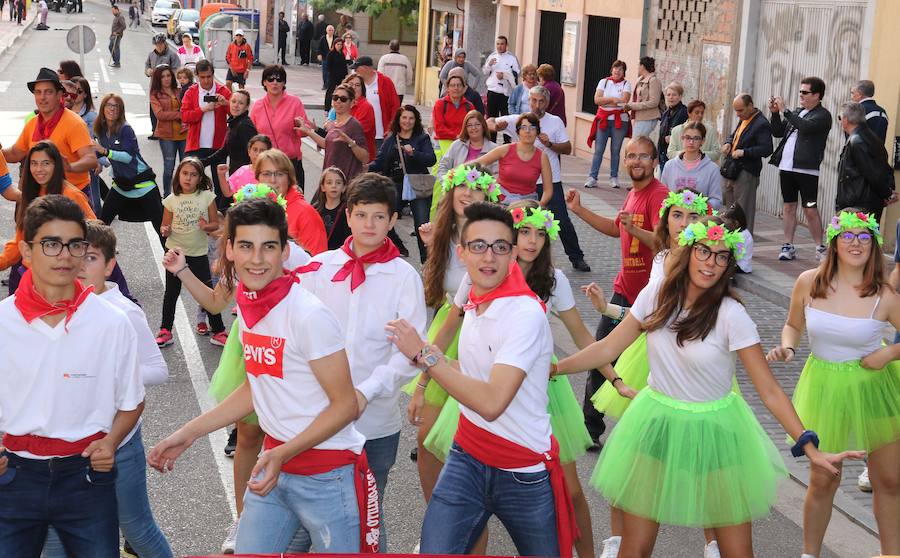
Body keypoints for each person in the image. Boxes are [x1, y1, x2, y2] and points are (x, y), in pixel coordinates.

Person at [556, 216, 858, 558]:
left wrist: (810, 448)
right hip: (656, 421)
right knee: (635, 548)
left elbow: (770, 390)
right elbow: (608, 348)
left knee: (737, 552)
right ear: (688, 251)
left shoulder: (731, 314)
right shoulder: (656, 295)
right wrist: (557, 367)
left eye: (721, 256)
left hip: (717, 429)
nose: (711, 263)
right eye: (704, 251)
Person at [148, 196, 378, 555]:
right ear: (229, 250)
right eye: (246, 246)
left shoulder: (307, 316)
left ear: (285, 252)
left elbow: (346, 406)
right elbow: (256, 387)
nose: (257, 259)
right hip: (277, 467)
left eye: (268, 247)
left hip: (328, 475)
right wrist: (187, 433)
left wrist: (283, 452)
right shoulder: (248, 299)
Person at [387, 202, 577, 558]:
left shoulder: (524, 312)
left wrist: (423, 356)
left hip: (522, 470)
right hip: (467, 457)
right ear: (462, 252)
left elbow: (492, 402)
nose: (489, 257)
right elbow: (472, 373)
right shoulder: (474, 297)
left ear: (512, 253)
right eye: (478, 246)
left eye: (500, 247)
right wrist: (434, 366)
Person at [158, 187, 312, 554]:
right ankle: (245, 520)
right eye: (244, 244)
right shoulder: (243, 267)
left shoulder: (299, 271)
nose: (256, 256)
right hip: (251, 351)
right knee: (248, 436)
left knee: (289, 438)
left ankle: (290, 520)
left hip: (291, 357)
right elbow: (215, 300)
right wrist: (180, 271)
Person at [0, 195, 144, 557]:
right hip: (12, 475)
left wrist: (111, 443)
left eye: (74, 245)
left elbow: (132, 400)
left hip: (86, 476)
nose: (65, 255)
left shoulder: (112, 323)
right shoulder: (3, 322)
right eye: (51, 244)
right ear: (26, 252)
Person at [584, 188, 720, 558]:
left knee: (706, 464)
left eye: (693, 217)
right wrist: (606, 308)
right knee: (626, 455)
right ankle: (617, 541)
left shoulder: (710, 265)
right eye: (677, 216)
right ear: (667, 220)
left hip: (695, 370)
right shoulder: (659, 258)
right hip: (648, 363)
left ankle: (714, 544)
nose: (684, 224)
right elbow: (643, 316)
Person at [298, 173, 427, 551]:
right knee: (306, 514)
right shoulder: (319, 268)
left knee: (368, 512)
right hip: (317, 416)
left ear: (391, 221)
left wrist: (365, 393)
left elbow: (409, 354)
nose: (369, 225)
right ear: (349, 216)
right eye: (361, 215)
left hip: (374, 421)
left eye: (379, 217)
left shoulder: (405, 277)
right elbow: (298, 336)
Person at [768, 209, 899, 558]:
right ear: (834, 242)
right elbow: (792, 324)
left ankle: (891, 554)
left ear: (873, 245)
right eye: (848, 236)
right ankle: (810, 554)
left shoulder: (884, 295)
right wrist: (788, 346)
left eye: (864, 237)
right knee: (824, 479)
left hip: (875, 389)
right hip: (824, 388)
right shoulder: (809, 282)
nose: (856, 244)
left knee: (888, 480)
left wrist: (888, 354)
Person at [42, 220, 172, 558]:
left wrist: (106, 375)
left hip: (118, 444)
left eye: (92, 258)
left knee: (137, 529)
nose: (81, 266)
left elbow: (158, 370)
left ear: (110, 266)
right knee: (55, 538)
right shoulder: (55, 308)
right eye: (76, 256)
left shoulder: (124, 312)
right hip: (64, 445)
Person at [405, 165, 500, 512]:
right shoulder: (441, 236)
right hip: (447, 330)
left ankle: (472, 515)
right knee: (428, 439)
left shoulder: (498, 242)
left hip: (483, 332)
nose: (468, 195)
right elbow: (437, 293)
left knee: (473, 440)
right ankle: (437, 518)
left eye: (477, 191)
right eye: (462, 187)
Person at [565, 136, 670, 446]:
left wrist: (636, 230)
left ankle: (649, 430)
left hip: (650, 298)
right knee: (602, 355)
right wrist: (579, 210)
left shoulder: (660, 196)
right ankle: (590, 428)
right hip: (624, 290)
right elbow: (616, 228)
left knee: (648, 366)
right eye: (631, 156)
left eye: (643, 157)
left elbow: (666, 244)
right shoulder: (634, 193)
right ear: (624, 162)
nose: (636, 161)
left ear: (654, 162)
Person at [491, 86, 591, 272]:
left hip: (549, 181)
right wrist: (495, 126)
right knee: (522, 223)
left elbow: (567, 148)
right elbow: (489, 121)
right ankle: (517, 261)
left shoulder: (555, 122)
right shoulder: (519, 120)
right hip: (524, 185)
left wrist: (550, 144)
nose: (537, 104)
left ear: (547, 102)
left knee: (560, 219)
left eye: (541, 101)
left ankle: (577, 257)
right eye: (533, 100)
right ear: (528, 101)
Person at [0, 141, 97, 285]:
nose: (39, 169)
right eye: (34, 163)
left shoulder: (72, 195)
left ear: (56, 166)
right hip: (33, 278)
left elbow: (96, 235)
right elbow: (20, 241)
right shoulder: (30, 195)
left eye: (46, 163)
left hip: (63, 278)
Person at [156, 157, 225, 347]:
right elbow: (164, 225)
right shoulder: (170, 200)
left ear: (200, 178)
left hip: (198, 253)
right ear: (178, 175)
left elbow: (214, 224)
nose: (188, 178)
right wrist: (165, 230)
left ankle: (218, 331)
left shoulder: (207, 197)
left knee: (208, 291)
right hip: (175, 251)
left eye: (193, 175)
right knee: (171, 293)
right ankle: (165, 330)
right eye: (185, 173)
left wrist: (206, 226)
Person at [3, 68, 97, 200]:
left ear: (60, 95)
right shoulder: (32, 124)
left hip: (73, 197)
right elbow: (15, 153)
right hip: (42, 197)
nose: (42, 97)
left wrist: (69, 167)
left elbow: (91, 160)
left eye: (48, 92)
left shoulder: (74, 123)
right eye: (38, 92)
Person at [769, 76, 832, 262]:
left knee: (810, 208)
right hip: (787, 168)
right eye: (800, 92)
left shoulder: (823, 115)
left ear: (817, 95)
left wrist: (785, 111)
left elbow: (805, 127)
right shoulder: (798, 112)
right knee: (789, 206)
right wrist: (774, 113)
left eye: (805, 92)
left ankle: (820, 247)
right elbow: (778, 131)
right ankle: (788, 245)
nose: (801, 96)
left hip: (807, 171)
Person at [94, 94, 165, 247]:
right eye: (109, 105)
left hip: (143, 184)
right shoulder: (101, 129)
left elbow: (128, 157)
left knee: (161, 229)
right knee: (102, 223)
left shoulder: (126, 129)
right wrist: (96, 160)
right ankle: (96, 256)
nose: (112, 109)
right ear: (103, 108)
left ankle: (173, 266)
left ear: (121, 110)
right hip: (121, 185)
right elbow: (98, 152)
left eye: (116, 106)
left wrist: (106, 152)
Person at [369, 105, 437, 262]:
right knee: (385, 220)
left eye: (411, 118)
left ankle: (426, 263)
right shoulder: (391, 139)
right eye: (404, 118)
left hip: (417, 184)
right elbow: (379, 162)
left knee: (421, 225)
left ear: (416, 120)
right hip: (395, 185)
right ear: (399, 119)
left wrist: (413, 153)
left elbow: (431, 159)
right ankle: (394, 250)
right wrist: (365, 167)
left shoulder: (422, 138)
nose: (407, 121)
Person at [255, 148, 328, 255]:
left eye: (279, 174)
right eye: (266, 174)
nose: (272, 180)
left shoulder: (305, 213)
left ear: (289, 178)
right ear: (258, 178)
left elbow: (317, 262)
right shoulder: (253, 209)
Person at [181, 59, 232, 210]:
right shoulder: (191, 92)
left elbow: (236, 112)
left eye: (209, 76)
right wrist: (203, 110)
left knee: (220, 182)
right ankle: (193, 211)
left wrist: (226, 104)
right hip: (196, 145)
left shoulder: (223, 91)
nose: (206, 80)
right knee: (193, 181)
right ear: (197, 76)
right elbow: (184, 116)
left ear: (213, 75)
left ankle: (221, 213)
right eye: (203, 77)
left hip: (218, 146)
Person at [249, 64, 310, 187]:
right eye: (270, 79)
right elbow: (252, 137)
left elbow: (303, 132)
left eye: (279, 79)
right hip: (266, 164)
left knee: (292, 203)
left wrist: (304, 128)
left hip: (290, 163)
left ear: (284, 83)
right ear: (264, 83)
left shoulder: (295, 103)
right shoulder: (257, 106)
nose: (274, 83)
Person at [721, 94, 773, 234]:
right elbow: (735, 135)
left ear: (750, 105)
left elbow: (767, 149)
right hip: (732, 169)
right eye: (736, 111)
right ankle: (729, 239)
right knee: (729, 210)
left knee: (743, 211)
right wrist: (728, 142)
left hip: (746, 171)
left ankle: (744, 243)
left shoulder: (761, 123)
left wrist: (744, 152)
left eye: (740, 110)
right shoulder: (744, 118)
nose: (738, 114)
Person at [475, 113, 552, 205]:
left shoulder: (542, 157)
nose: (528, 131)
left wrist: (540, 205)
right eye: (523, 127)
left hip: (527, 204)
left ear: (537, 132)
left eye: (532, 128)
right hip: (500, 201)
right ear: (518, 132)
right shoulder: (505, 149)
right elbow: (477, 164)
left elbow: (548, 190)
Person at [836, 102, 895, 217]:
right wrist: (888, 192)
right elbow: (884, 168)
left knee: (854, 235)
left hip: (858, 205)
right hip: (865, 202)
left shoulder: (857, 141)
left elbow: (872, 173)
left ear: (845, 120)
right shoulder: (870, 137)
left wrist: (887, 193)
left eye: (839, 118)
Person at [432, 110, 497, 215]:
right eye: (469, 125)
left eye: (477, 124)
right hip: (456, 197)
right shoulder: (456, 145)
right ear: (465, 128)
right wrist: (447, 183)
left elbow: (497, 174)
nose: (473, 128)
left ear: (483, 126)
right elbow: (443, 166)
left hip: (480, 201)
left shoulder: (494, 149)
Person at [301, 84, 369, 183]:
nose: (338, 101)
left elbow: (365, 157)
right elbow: (327, 144)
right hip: (329, 178)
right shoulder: (333, 124)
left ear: (352, 103)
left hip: (345, 182)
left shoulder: (354, 125)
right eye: (335, 98)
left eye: (343, 99)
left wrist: (351, 143)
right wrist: (308, 131)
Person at [586, 59, 631, 189]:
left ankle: (614, 177)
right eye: (615, 68)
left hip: (619, 120)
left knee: (615, 150)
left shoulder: (626, 84)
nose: (617, 71)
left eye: (621, 69)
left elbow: (623, 101)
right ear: (612, 69)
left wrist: (605, 102)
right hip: (603, 119)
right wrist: (612, 99)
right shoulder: (604, 82)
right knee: (599, 150)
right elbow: (596, 100)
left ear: (624, 72)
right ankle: (592, 177)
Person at [660, 122, 724, 209]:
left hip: (700, 220)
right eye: (687, 137)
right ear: (682, 138)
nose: (691, 142)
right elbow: (662, 196)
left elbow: (717, 201)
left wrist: (698, 205)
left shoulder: (712, 169)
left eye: (696, 138)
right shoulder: (669, 166)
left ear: (703, 141)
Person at [205, 89, 258, 192]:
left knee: (226, 205)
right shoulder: (235, 122)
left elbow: (254, 154)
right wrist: (202, 162)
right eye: (233, 101)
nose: (236, 105)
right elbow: (225, 150)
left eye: (241, 103)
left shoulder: (244, 125)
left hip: (245, 179)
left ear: (247, 107)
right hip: (236, 175)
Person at [150, 65, 188, 197]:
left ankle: (185, 194)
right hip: (167, 136)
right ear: (158, 79)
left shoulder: (180, 90)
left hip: (184, 134)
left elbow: (188, 107)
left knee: (186, 167)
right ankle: (167, 195)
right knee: (169, 168)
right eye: (162, 76)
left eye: (168, 75)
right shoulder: (155, 95)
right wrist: (179, 114)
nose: (166, 79)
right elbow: (160, 115)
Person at [432, 74, 476, 180]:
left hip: (463, 144)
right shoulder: (440, 104)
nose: (456, 88)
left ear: (464, 88)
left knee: (461, 176)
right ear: (447, 88)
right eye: (452, 85)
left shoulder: (469, 106)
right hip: (443, 144)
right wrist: (457, 136)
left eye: (459, 85)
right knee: (441, 178)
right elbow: (439, 129)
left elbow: (473, 126)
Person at [353, 56, 401, 151]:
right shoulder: (355, 84)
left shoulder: (385, 82)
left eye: (357, 68)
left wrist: (392, 128)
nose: (355, 71)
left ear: (366, 68)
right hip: (360, 134)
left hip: (381, 135)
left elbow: (395, 107)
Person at [70, 76, 103, 212]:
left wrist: (100, 161)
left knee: (94, 203)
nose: (75, 95)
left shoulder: (92, 116)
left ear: (85, 94)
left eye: (79, 91)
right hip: (70, 165)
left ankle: (98, 229)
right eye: (73, 91)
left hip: (88, 164)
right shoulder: (63, 113)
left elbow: (100, 141)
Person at [482, 36, 520, 139]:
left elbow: (517, 73)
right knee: (491, 117)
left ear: (506, 45)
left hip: (505, 93)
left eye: (502, 44)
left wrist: (505, 75)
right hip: (492, 91)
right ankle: (491, 140)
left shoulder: (512, 58)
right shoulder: (492, 56)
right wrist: (489, 65)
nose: (499, 46)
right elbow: (485, 72)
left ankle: (506, 141)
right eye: (498, 44)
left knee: (505, 118)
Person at [145, 33, 181, 140]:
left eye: (160, 44)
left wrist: (168, 75)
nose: (159, 46)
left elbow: (176, 70)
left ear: (164, 43)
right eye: (156, 44)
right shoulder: (151, 55)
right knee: (153, 110)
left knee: (166, 108)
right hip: (155, 86)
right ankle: (154, 131)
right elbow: (147, 66)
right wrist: (148, 71)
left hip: (168, 88)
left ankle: (166, 131)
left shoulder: (172, 55)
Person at [311, 166, 351, 250]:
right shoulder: (315, 209)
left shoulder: (347, 211)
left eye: (338, 183)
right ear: (323, 187)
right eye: (329, 182)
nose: (334, 186)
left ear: (344, 187)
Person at [624, 56, 662, 138]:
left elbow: (654, 102)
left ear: (642, 66)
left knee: (636, 142)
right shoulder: (640, 80)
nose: (637, 67)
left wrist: (632, 106)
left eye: (638, 65)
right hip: (639, 116)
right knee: (640, 143)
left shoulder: (653, 80)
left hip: (648, 117)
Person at [340, 73, 377, 159]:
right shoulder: (341, 103)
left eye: (357, 85)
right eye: (351, 84)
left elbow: (355, 133)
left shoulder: (366, 107)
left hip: (360, 158)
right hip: (344, 155)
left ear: (362, 89)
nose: (353, 87)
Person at [658, 82, 688, 170]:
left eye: (674, 95)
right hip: (663, 153)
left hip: (676, 154)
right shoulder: (666, 113)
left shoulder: (684, 112)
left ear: (680, 96)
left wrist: (674, 137)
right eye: (668, 95)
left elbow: (687, 132)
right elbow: (661, 135)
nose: (671, 97)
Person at [323, 37, 348, 111]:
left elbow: (344, 65)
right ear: (334, 45)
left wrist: (345, 75)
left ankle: (339, 107)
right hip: (333, 76)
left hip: (340, 76)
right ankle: (327, 108)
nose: (339, 46)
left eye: (341, 44)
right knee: (330, 91)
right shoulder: (331, 54)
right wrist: (331, 74)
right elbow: (328, 66)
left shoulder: (342, 54)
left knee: (341, 92)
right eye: (338, 44)